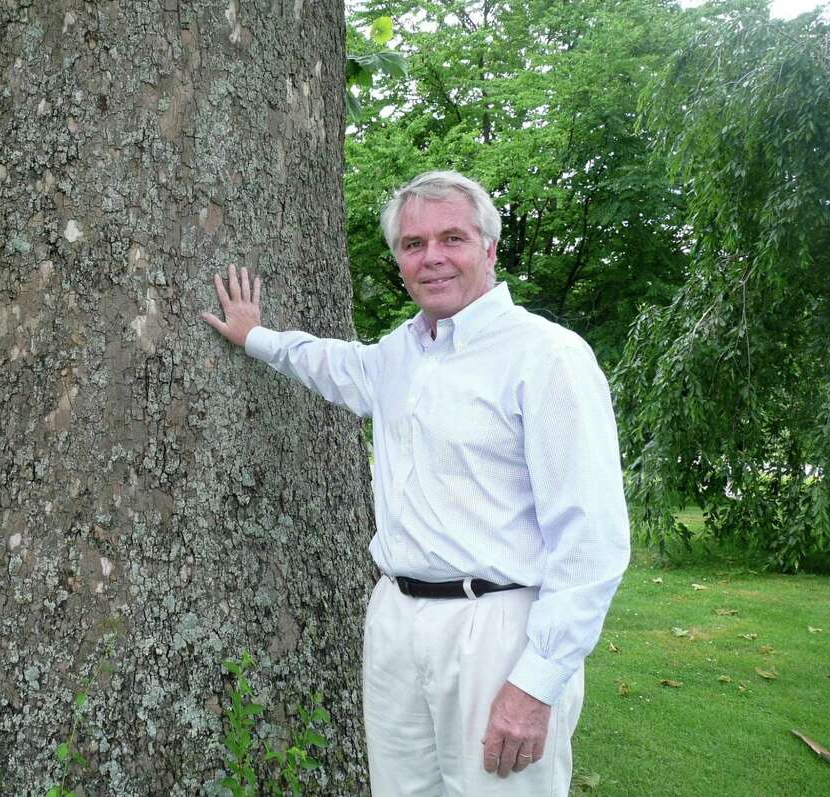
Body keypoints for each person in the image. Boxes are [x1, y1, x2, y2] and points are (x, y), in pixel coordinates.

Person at [200, 170, 630, 797]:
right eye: (412, 244)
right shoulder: (401, 354)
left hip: (497, 631)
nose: (431, 258)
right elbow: (328, 362)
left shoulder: (546, 357)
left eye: (451, 238)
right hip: (397, 621)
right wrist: (254, 336)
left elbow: (591, 541)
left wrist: (537, 681)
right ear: (400, 259)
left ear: (489, 246)